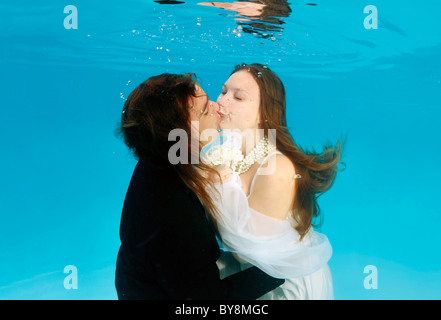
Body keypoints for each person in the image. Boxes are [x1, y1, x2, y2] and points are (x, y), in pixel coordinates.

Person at [114, 73, 284, 299]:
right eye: (205, 110)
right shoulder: (173, 209)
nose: (217, 106)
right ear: (181, 135)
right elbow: (209, 300)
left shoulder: (155, 162)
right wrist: (281, 271)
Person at [205, 63, 344, 299]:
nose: (222, 101)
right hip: (251, 274)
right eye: (224, 90)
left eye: (238, 97)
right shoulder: (227, 149)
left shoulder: (276, 168)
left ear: (264, 112)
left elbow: (249, 247)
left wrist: (218, 180)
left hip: (284, 283)